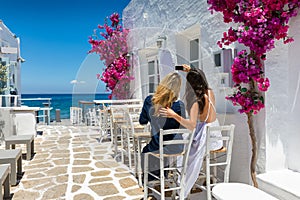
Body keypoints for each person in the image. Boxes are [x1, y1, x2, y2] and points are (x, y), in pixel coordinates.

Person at [159, 64, 223, 197]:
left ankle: (180, 182)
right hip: (217, 138)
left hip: (206, 138)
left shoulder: (194, 101)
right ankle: (179, 179)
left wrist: (173, 115)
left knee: (182, 149)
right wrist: (191, 70)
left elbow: (191, 125)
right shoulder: (209, 92)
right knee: (184, 142)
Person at [139, 72, 186, 181]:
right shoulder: (179, 105)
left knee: (146, 150)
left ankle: (149, 178)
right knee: (161, 146)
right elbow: (183, 128)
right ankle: (163, 174)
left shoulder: (149, 101)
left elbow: (142, 121)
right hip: (177, 147)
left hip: (158, 147)